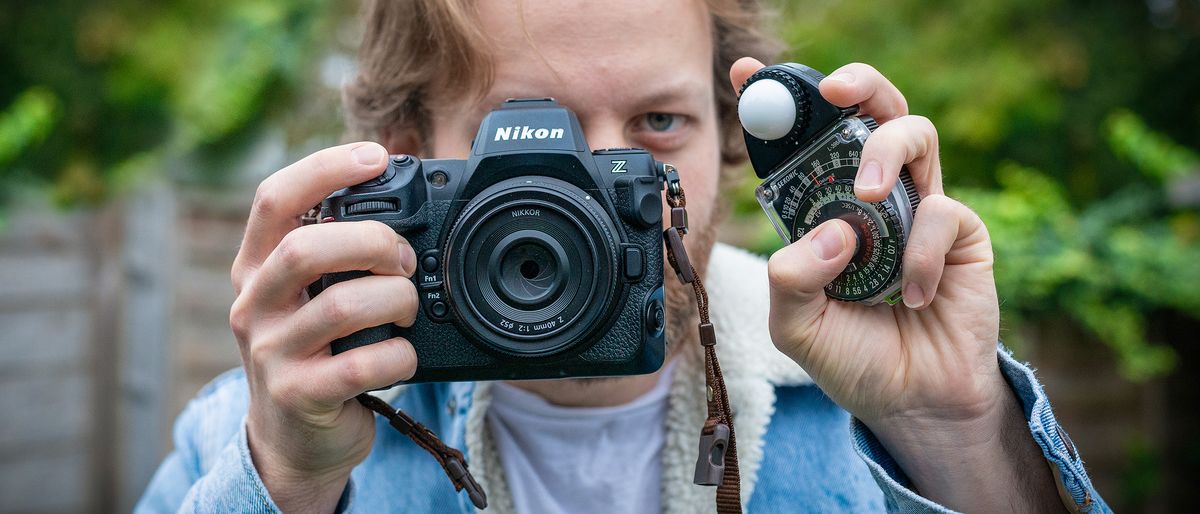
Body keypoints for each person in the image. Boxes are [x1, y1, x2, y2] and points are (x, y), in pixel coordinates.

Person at [137, 0, 1110, 512]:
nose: (607, 189)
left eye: (657, 121)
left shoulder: (862, 399)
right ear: (403, 153)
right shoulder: (259, 439)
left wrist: (960, 432)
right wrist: (286, 480)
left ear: (731, 136)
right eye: (533, 127)